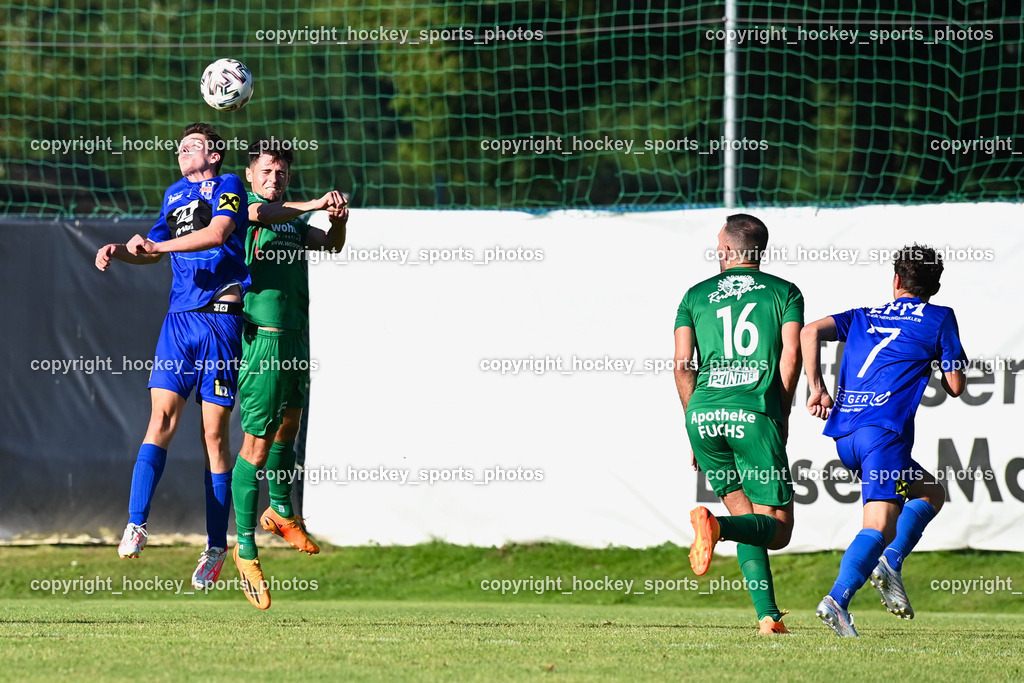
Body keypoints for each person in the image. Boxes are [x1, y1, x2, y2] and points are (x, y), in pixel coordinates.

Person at [95, 123, 250, 590]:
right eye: (179, 147)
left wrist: (157, 244)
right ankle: (137, 523)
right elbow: (153, 249)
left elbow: (219, 233)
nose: (181, 152)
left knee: (214, 437)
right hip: (179, 322)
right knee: (160, 420)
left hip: (220, 318)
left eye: (192, 146)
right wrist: (124, 250)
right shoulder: (172, 194)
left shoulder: (229, 186)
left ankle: (216, 547)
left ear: (215, 155)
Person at [803, 244, 966, 637]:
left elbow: (809, 331)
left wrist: (817, 387)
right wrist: (947, 359)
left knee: (930, 492)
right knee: (878, 525)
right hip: (884, 436)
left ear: (895, 280)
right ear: (936, 287)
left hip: (846, 436)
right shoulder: (940, 317)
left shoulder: (864, 315)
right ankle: (837, 600)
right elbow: (956, 385)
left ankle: (889, 562)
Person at [230, 138, 348, 610]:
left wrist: (337, 224)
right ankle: (244, 548)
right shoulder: (247, 210)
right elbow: (260, 217)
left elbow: (331, 247)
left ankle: (281, 511)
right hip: (264, 340)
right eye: (266, 172)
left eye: (281, 173)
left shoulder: (295, 218)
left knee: (290, 426)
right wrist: (318, 202)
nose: (273, 179)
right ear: (251, 175)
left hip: (297, 336)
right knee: (255, 446)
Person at [674, 214, 803, 635]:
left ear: (729, 250)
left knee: (748, 514)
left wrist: (695, 422)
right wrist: (778, 413)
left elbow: (681, 366)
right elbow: (791, 357)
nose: (716, 250)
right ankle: (717, 527)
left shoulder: (693, 295)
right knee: (777, 529)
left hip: (704, 414)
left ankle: (768, 617)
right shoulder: (785, 292)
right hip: (752, 414)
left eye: (718, 244)